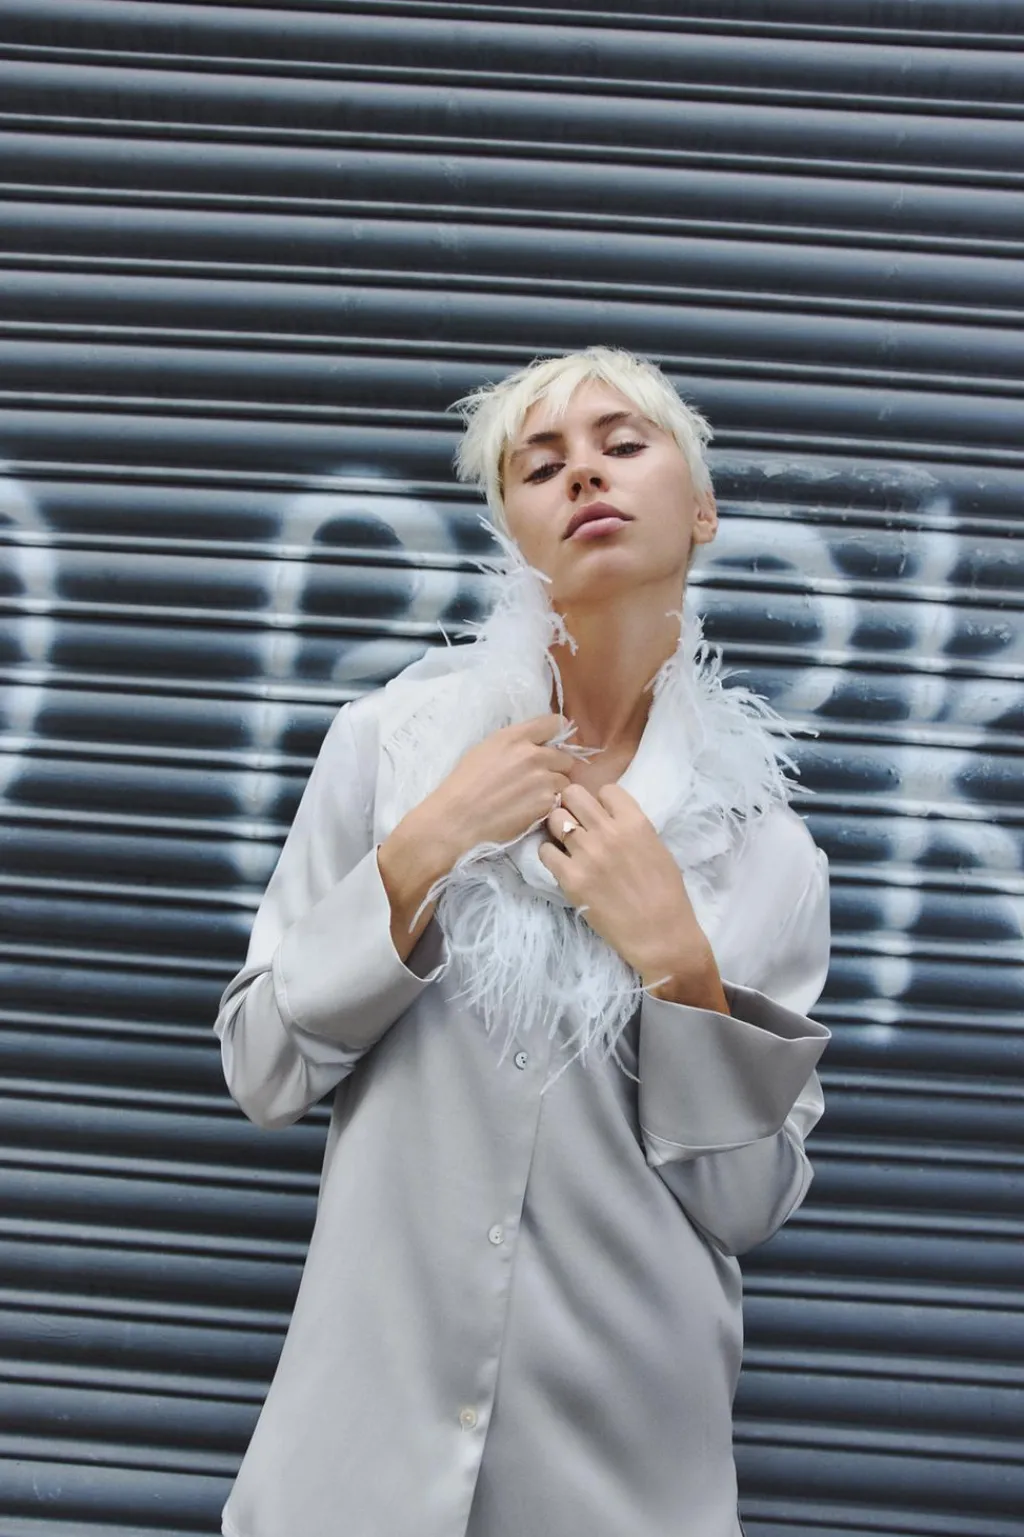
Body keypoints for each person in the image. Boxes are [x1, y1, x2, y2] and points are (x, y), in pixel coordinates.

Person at [213, 345, 832, 1537]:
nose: (584, 475)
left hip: (621, 1476)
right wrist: (422, 850)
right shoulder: (390, 748)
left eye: (622, 444)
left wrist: (678, 963)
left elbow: (747, 1202)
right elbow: (261, 1065)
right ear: (510, 529)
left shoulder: (769, 853)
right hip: (358, 1470)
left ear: (700, 508)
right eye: (540, 466)